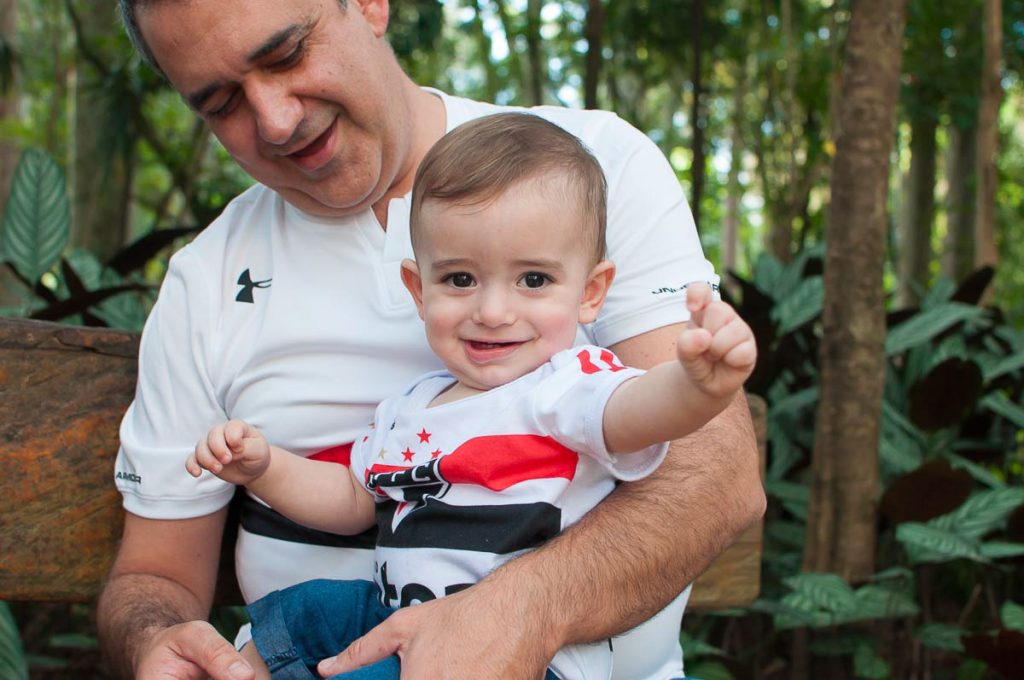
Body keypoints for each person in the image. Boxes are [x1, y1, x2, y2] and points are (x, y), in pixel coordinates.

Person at [99, 1, 766, 679]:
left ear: (369, 5)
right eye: (221, 103)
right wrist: (154, 638)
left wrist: (517, 613)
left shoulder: (586, 170)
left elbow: (710, 471)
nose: (275, 119)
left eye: (286, 53)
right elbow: (155, 573)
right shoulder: (208, 279)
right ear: (421, 287)